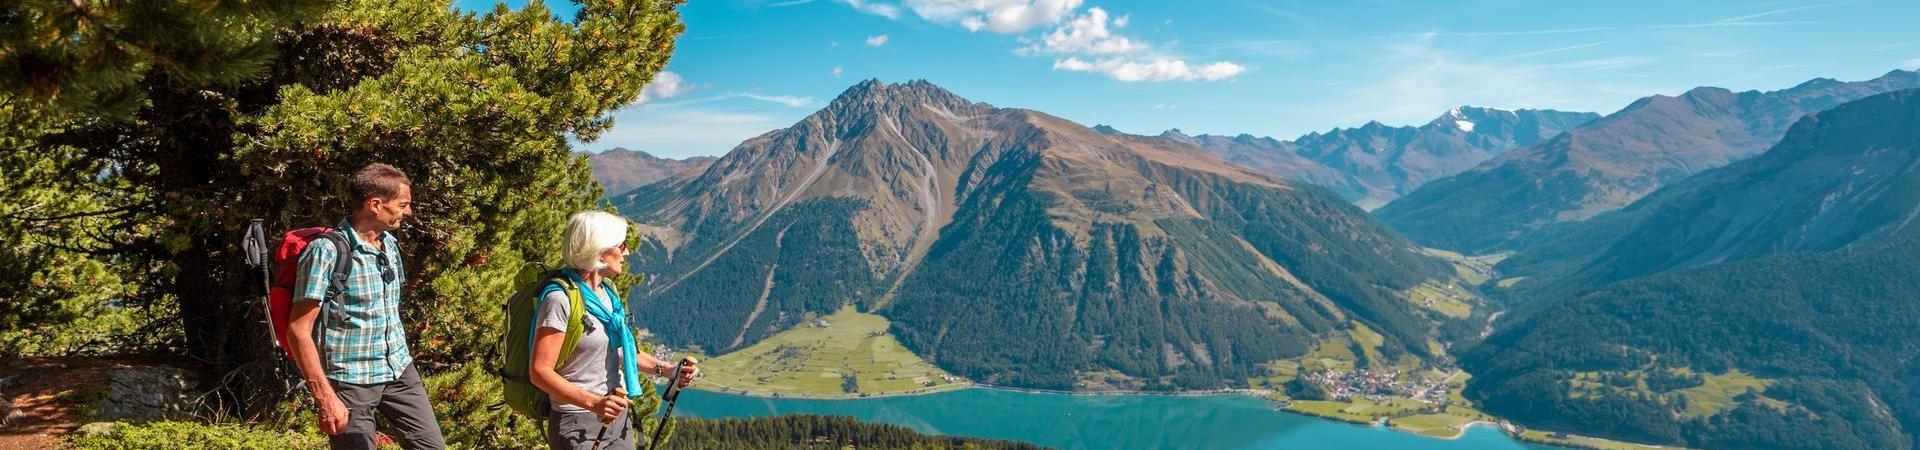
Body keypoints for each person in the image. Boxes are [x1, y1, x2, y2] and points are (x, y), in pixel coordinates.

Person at [287, 163, 445, 449]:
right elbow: (298, 330)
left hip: (398, 370)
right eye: (403, 204)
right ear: (375, 205)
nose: (408, 212)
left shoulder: (390, 245)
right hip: (350, 379)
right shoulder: (325, 251)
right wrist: (325, 397)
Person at [531, 210, 698, 450]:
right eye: (621, 245)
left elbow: (622, 350)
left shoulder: (608, 294)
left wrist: (669, 371)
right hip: (576, 425)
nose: (627, 252)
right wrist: (594, 403)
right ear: (599, 250)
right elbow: (539, 371)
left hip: (616, 421)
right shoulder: (560, 299)